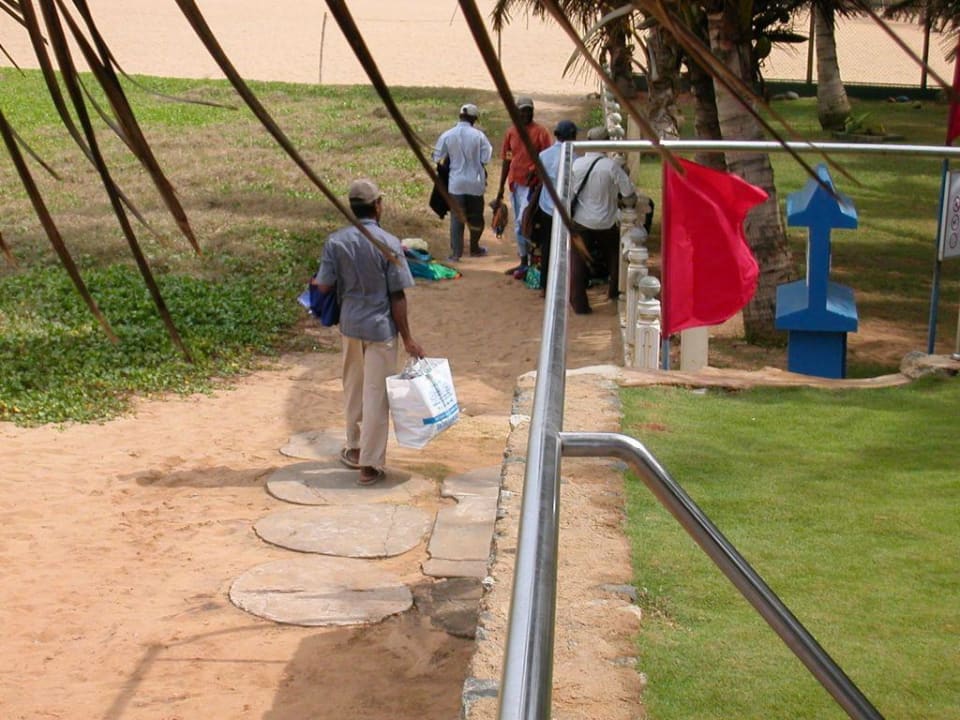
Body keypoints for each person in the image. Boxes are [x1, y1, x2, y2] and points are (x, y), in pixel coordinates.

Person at [315, 179, 425, 485]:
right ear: (377, 206)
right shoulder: (389, 243)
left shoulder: (336, 242)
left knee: (353, 387)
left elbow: (324, 285)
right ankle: (370, 464)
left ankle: (354, 447)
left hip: (350, 324)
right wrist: (408, 338)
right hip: (381, 328)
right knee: (377, 395)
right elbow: (397, 296)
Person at [569, 126, 637, 314]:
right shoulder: (611, 167)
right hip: (606, 222)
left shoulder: (576, 165)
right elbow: (629, 194)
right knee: (614, 255)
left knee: (578, 260)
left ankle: (579, 302)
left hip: (581, 221)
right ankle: (614, 291)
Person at [493, 95, 554, 277]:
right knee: (519, 224)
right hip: (515, 185)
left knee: (523, 222)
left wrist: (534, 169)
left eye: (529, 111)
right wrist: (500, 189)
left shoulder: (541, 133)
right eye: (522, 111)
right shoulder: (511, 133)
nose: (526, 114)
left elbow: (546, 157)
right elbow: (506, 159)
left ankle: (529, 261)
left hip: (532, 187)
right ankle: (523, 260)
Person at [432, 103, 493, 261]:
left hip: (455, 184)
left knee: (456, 219)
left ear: (460, 116)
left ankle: (455, 254)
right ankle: (474, 248)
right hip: (475, 183)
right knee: (477, 217)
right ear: (474, 119)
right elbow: (486, 157)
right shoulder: (479, 136)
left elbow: (436, 157)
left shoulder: (448, 134)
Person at [530, 120, 578, 296]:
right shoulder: (576, 158)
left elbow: (540, 178)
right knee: (566, 248)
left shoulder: (544, 155)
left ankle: (545, 287)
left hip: (547, 207)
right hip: (566, 209)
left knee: (547, 246)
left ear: (556, 135)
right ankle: (565, 287)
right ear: (573, 136)